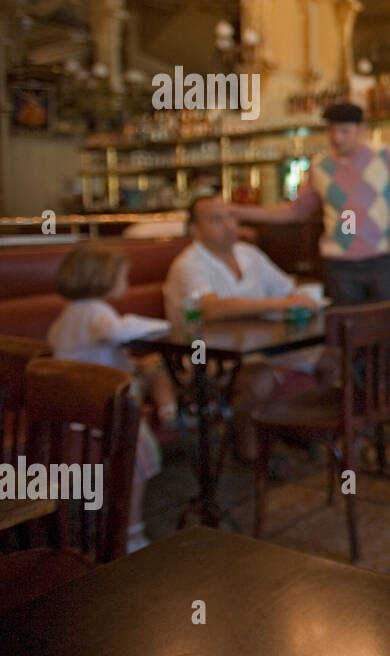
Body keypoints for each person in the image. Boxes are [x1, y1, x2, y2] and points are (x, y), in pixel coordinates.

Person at [229, 102, 390, 306]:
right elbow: (296, 211)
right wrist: (237, 211)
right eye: (332, 131)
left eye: (345, 131)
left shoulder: (383, 155)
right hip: (338, 263)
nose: (337, 138)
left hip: (382, 257)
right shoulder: (320, 165)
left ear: (360, 129)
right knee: (346, 330)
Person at [164, 195, 320, 464]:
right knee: (258, 377)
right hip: (207, 358)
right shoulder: (188, 265)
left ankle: (304, 432)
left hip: (258, 348)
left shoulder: (249, 254)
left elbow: (288, 288)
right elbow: (212, 308)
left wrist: (301, 299)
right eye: (217, 220)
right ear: (195, 230)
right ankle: (250, 453)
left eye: (231, 217)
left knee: (330, 358)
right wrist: (283, 304)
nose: (228, 225)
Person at [47, 245, 175, 552]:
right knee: (135, 460)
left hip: (74, 406)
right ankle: (130, 533)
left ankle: (170, 410)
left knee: (150, 366)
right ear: (101, 277)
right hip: (99, 411)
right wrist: (166, 325)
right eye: (122, 276)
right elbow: (118, 333)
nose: (126, 281)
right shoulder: (94, 311)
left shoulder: (68, 315)